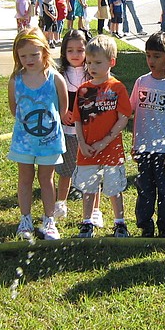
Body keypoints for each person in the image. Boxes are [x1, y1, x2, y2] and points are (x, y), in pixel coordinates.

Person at [8, 28, 68, 241]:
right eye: (23, 56)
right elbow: (14, 108)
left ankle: (49, 220)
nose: (29, 59)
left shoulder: (55, 78)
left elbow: (63, 107)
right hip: (24, 142)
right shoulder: (16, 80)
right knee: (24, 178)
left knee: (46, 178)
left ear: (44, 51)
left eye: (34, 54)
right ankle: (25, 219)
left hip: (48, 141)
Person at [72, 34, 133, 238]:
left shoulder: (117, 88)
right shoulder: (83, 90)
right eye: (89, 62)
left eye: (98, 62)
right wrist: (81, 143)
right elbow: (78, 119)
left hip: (111, 150)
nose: (92, 67)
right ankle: (87, 222)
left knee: (114, 188)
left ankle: (120, 222)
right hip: (88, 149)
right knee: (89, 188)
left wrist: (106, 140)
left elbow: (123, 117)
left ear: (111, 62)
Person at [131, 32, 165, 238]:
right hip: (144, 148)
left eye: (156, 56)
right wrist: (135, 144)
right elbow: (132, 112)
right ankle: (145, 226)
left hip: (164, 151)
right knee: (144, 191)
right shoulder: (141, 82)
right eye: (148, 55)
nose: (151, 61)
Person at [54, 30, 90, 222]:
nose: (75, 54)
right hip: (67, 130)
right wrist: (63, 112)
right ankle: (60, 202)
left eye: (80, 50)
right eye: (70, 50)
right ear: (64, 52)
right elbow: (57, 99)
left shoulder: (91, 73)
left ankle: (92, 208)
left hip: (88, 131)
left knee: (90, 170)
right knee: (66, 170)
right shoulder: (59, 74)